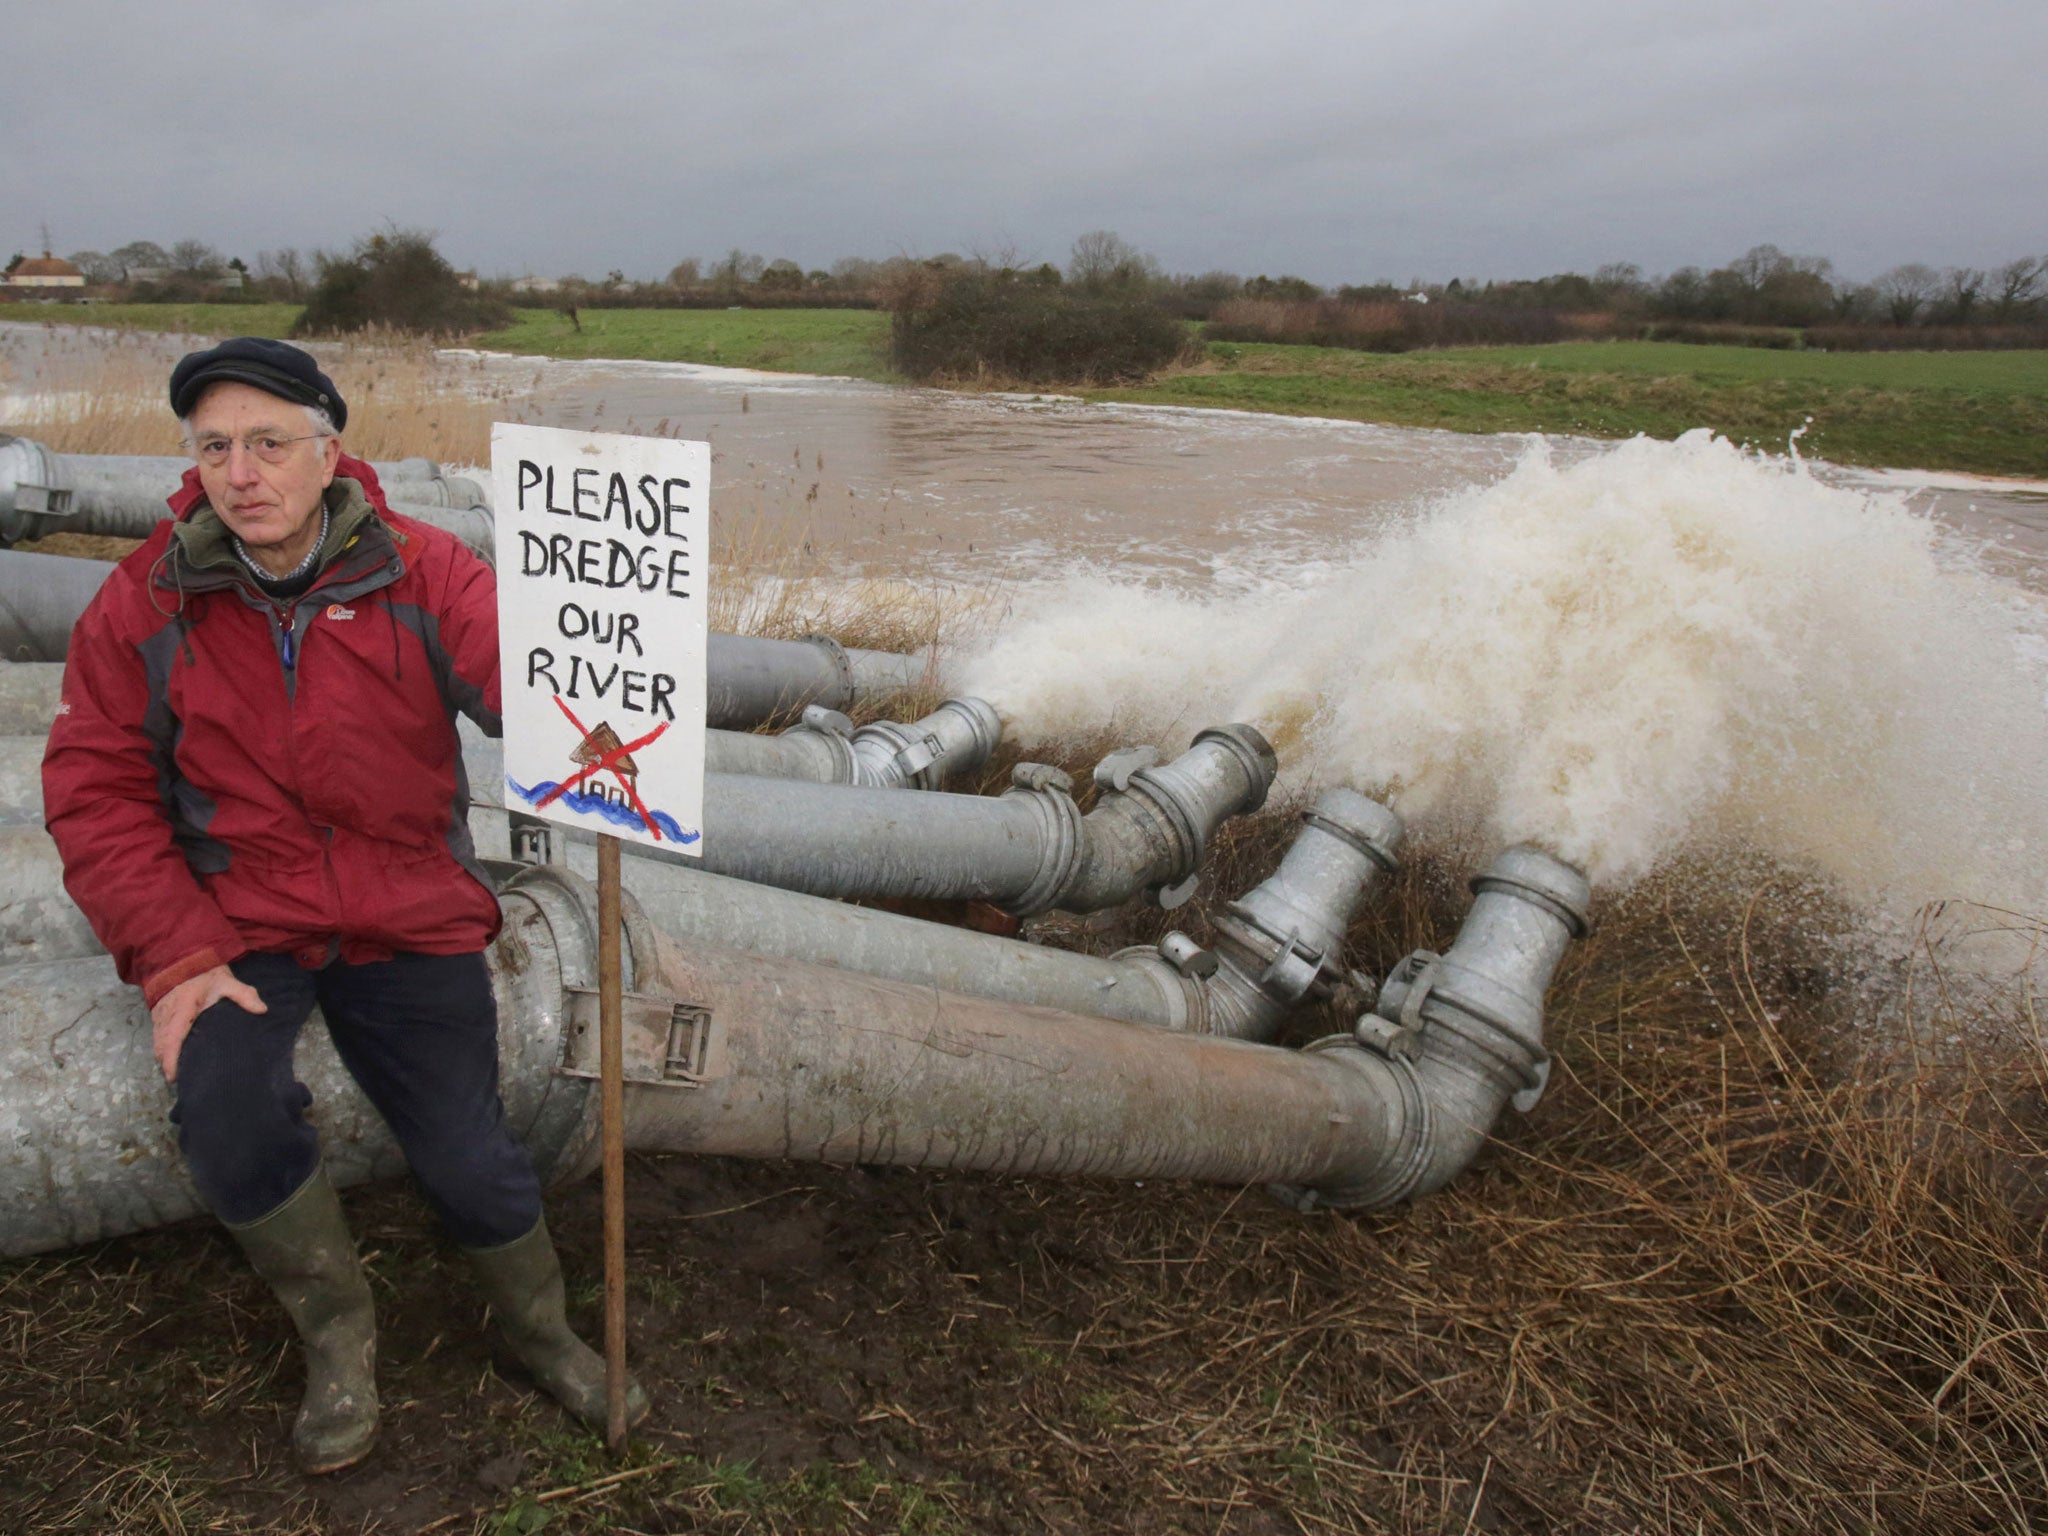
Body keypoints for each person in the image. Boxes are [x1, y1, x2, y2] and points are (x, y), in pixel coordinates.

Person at [40, 337, 647, 1474]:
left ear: (330, 453)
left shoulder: (428, 572)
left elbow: (524, 685)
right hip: (239, 919)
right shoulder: (148, 598)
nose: (242, 470)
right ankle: (339, 1338)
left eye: (268, 442)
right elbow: (93, 786)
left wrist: (594, 694)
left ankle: (541, 1333)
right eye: (215, 447)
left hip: (404, 911)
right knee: (225, 1112)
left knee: (468, 1151)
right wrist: (174, 955)